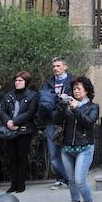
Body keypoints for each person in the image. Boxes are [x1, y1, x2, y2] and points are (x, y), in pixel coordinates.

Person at [54, 76, 100, 202]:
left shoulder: (93, 107)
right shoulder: (68, 105)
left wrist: (77, 108)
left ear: (86, 90)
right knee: (71, 181)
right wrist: (61, 107)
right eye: (74, 89)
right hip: (67, 147)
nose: (76, 91)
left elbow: (88, 123)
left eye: (79, 88)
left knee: (80, 180)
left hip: (85, 147)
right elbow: (56, 120)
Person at [0, 72, 39, 194]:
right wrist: (8, 122)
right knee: (12, 158)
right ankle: (13, 183)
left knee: (22, 157)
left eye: (20, 80)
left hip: (24, 130)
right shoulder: (9, 95)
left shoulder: (32, 95)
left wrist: (15, 122)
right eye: (16, 80)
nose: (17, 82)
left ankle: (21, 183)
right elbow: (2, 111)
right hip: (10, 130)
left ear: (26, 82)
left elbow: (30, 112)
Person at [38, 57, 73, 190]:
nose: (56, 69)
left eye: (58, 66)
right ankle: (62, 178)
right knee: (54, 154)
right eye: (54, 66)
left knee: (67, 151)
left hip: (66, 120)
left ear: (65, 67)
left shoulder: (72, 81)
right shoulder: (48, 83)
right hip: (51, 121)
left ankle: (70, 178)